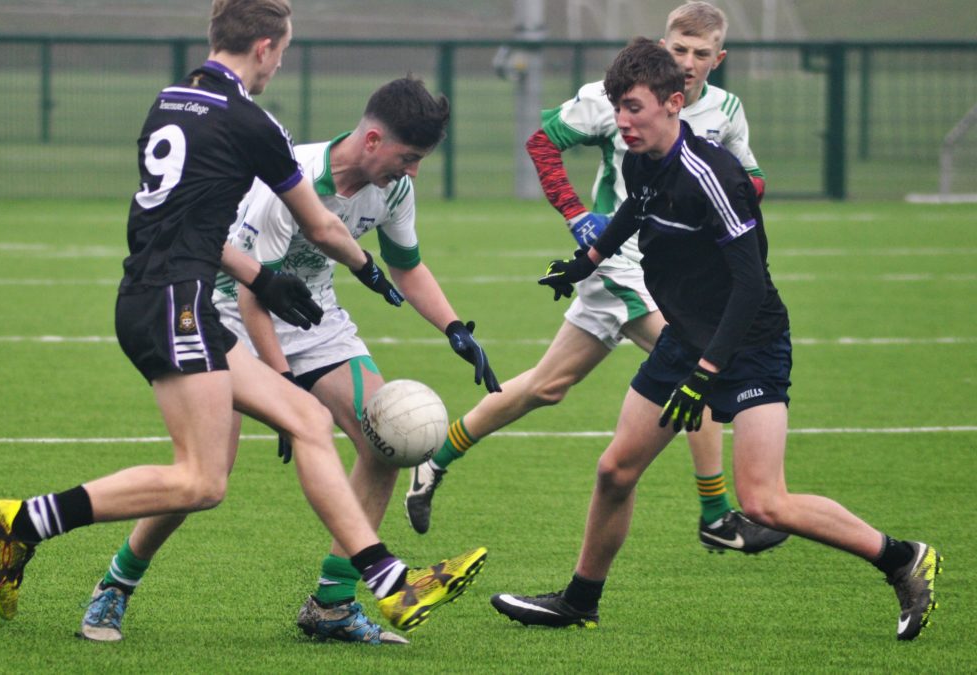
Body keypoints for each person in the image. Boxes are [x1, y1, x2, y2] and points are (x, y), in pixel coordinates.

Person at [0, 0, 486, 640]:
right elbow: (320, 224)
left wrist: (260, 275)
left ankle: (379, 584)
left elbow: (178, 221)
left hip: (168, 293)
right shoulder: (255, 124)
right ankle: (25, 523)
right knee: (201, 480)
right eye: (283, 52)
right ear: (268, 48)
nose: (279, 65)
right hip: (178, 303)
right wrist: (363, 267)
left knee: (305, 420)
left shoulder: (170, 101)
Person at [490, 37, 941, 642]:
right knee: (615, 471)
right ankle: (578, 601)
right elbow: (633, 211)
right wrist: (586, 258)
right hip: (686, 338)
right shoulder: (639, 158)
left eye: (635, 108)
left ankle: (902, 559)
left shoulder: (713, 175)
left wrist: (706, 371)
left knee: (763, 502)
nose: (623, 121)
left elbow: (751, 286)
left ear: (674, 103)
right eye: (618, 107)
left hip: (748, 341)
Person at [78, 75, 501, 645]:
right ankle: (116, 585)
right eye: (409, 157)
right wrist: (283, 385)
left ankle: (331, 605)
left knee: (384, 439)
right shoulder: (291, 178)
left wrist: (453, 326)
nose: (414, 171)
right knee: (203, 477)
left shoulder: (394, 189)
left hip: (316, 322)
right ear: (373, 140)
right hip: (232, 317)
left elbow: (406, 264)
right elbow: (253, 293)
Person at [406, 1, 785, 556]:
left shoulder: (727, 109)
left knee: (545, 385)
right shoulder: (619, 99)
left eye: (700, 54)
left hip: (673, 273)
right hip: (619, 263)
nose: (687, 61)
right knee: (697, 364)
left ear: (717, 59)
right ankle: (715, 512)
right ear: (663, 46)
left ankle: (435, 459)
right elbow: (543, 143)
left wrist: (721, 204)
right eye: (678, 49)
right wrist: (578, 217)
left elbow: (751, 180)